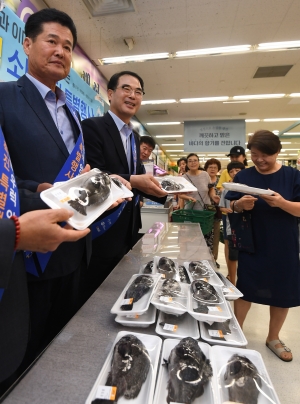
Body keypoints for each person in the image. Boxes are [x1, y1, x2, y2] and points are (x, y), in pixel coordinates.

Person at [0, 8, 95, 365]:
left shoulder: (73, 113)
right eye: (51, 41)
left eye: (68, 46)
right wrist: (37, 191)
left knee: (64, 352)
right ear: (26, 44)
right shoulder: (5, 96)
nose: (61, 51)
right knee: (27, 357)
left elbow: (72, 175)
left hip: (76, 251)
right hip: (28, 254)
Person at [81, 71, 167, 297]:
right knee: (94, 297)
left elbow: (138, 178)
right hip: (101, 230)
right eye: (126, 89)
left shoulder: (134, 137)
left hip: (128, 231)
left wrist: (166, 191)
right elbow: (94, 176)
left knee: (120, 295)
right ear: (110, 94)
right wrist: (133, 180)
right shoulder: (92, 127)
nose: (133, 95)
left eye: (138, 92)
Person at [226, 130, 300, 362]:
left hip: (284, 243)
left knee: (282, 291)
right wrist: (239, 205)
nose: (259, 160)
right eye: (255, 155)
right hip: (253, 242)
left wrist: (282, 203)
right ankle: (236, 332)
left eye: (265, 155)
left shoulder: (292, 176)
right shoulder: (244, 176)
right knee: (245, 287)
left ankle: (273, 337)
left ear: (277, 152)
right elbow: (229, 207)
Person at [178, 153, 220, 252]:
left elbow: (210, 189)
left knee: (205, 238)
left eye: (195, 160)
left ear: (198, 162)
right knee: (191, 238)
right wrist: (188, 198)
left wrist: (213, 196)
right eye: (190, 161)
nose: (193, 163)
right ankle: (191, 261)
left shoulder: (205, 174)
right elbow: (180, 195)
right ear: (187, 164)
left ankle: (204, 262)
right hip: (191, 213)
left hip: (205, 212)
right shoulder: (183, 178)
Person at [218, 161, 245, 285]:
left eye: (237, 171)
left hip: (246, 227)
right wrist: (226, 209)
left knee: (245, 256)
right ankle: (232, 282)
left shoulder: (249, 188)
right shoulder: (226, 189)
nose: (234, 173)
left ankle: (244, 282)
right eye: (231, 171)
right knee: (232, 256)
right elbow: (221, 207)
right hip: (232, 227)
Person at [204, 158, 222, 267]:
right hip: (204, 213)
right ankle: (204, 258)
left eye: (215, 167)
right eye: (210, 167)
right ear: (206, 169)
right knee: (205, 236)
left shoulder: (220, 182)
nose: (213, 169)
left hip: (216, 212)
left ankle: (213, 259)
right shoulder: (203, 180)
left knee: (215, 236)